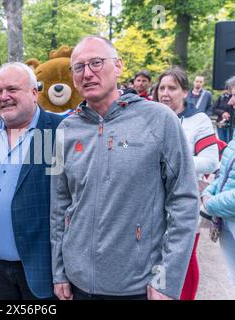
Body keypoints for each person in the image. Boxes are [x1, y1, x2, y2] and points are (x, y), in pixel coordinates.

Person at [50, 36, 199, 300]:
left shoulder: (159, 120)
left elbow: (184, 201)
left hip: (137, 288)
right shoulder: (66, 130)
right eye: (79, 67)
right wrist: (59, 271)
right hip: (77, 285)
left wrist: (167, 279)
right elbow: (60, 205)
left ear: (118, 66)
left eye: (96, 62)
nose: (88, 73)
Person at [0, 62, 63, 299]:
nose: (4, 97)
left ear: (34, 93)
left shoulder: (60, 131)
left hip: (40, 267)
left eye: (12, 89)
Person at [156, 67, 219, 300]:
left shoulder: (198, 120)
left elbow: (210, 161)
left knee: (184, 258)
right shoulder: (150, 117)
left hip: (183, 203)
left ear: (184, 92)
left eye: (172, 88)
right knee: (157, 261)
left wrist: (169, 162)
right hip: (152, 203)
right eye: (161, 88)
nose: (165, 93)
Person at [202, 75, 235, 294]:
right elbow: (224, 171)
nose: (231, 102)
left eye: (234, 96)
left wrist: (211, 203)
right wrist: (209, 190)